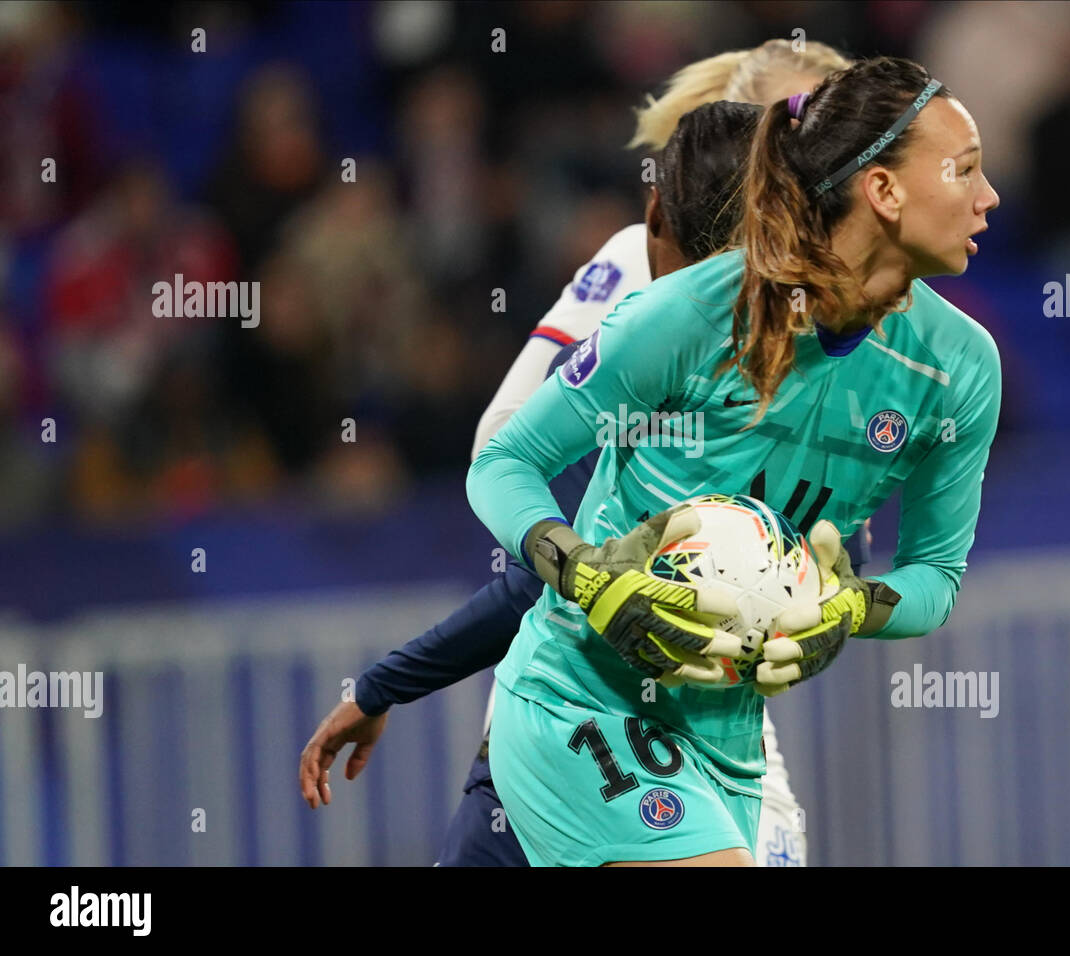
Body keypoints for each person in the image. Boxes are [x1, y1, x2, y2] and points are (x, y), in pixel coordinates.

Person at [300, 39, 854, 868]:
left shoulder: (849, 321)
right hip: (573, 701)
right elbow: (507, 445)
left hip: (713, 732)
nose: (814, 153)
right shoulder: (642, 269)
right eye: (798, 123)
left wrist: (827, 596)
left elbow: (844, 537)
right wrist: (586, 561)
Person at [467, 54, 1002, 866]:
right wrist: (586, 574)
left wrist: (847, 606)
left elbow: (935, 577)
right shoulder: (694, 312)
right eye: (963, 170)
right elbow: (503, 462)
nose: (988, 195)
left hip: (730, 742)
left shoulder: (961, 368)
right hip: (584, 701)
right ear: (885, 192)